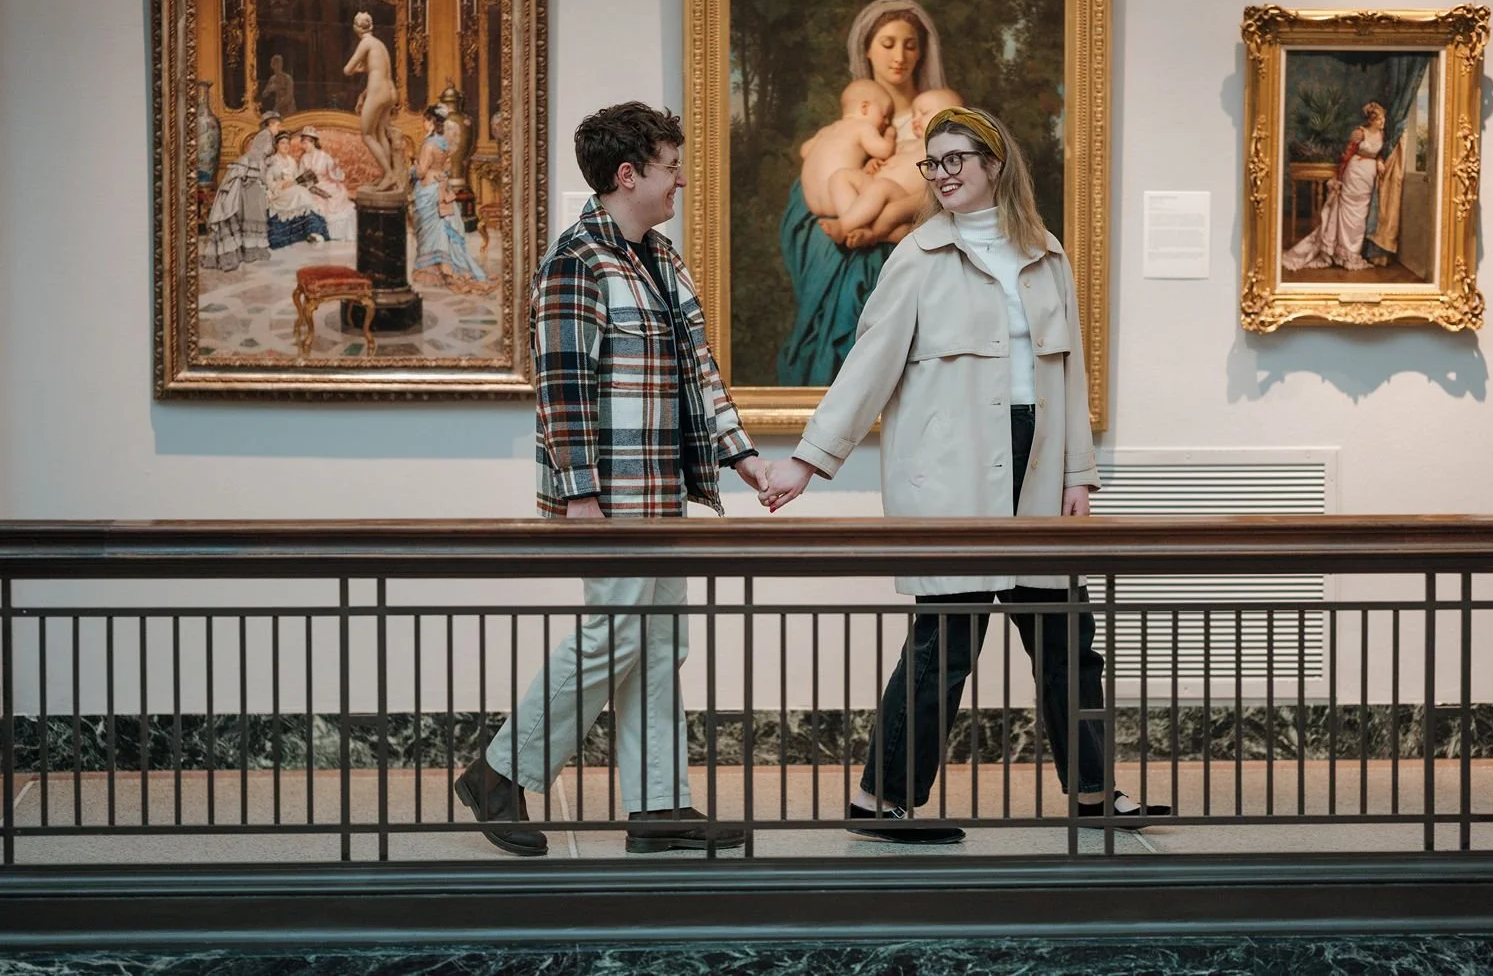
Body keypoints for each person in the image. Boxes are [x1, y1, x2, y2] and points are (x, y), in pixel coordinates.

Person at [763, 107, 1171, 843]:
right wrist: (807, 459)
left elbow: (1069, 374)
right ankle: (880, 800)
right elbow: (868, 365)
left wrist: (1080, 472)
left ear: (995, 164)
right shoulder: (916, 257)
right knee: (946, 639)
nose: (943, 173)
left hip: (1037, 469)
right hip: (950, 471)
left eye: (957, 160)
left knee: (1065, 635)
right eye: (934, 162)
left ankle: (1093, 791)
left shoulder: (1047, 254)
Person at [453, 102, 771, 857]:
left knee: (659, 643)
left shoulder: (661, 260)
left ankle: (659, 808)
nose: (681, 181)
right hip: (611, 499)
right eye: (671, 167)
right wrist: (582, 499)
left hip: (662, 497)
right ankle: (500, 770)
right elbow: (560, 393)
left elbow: (699, 372)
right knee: (611, 638)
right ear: (628, 175)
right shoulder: (576, 263)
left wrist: (745, 459)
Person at [776, 0, 947, 387]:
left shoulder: (939, 115)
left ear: (923, 51)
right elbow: (818, 185)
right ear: (867, 49)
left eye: (910, 44)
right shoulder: (857, 120)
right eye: (887, 44)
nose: (899, 56)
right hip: (855, 241)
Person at [822, 86, 964, 249]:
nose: (915, 119)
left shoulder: (945, 150)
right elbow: (886, 155)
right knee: (840, 176)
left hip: (897, 198)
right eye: (913, 115)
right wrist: (873, 163)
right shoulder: (907, 143)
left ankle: (844, 226)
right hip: (872, 192)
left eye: (923, 113)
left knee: (882, 187)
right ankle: (861, 227)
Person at [1282, 101, 1401, 272]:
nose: (1383, 122)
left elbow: (1381, 154)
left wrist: (1380, 161)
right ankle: (1342, 253)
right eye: (1380, 119)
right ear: (1372, 120)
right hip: (1354, 173)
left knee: (1361, 215)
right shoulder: (1360, 133)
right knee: (1347, 211)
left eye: (1383, 119)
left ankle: (1353, 252)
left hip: (1368, 177)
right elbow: (1347, 155)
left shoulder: (1383, 135)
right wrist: (1339, 178)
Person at [410, 104, 493, 293]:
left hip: (428, 190)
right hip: (442, 188)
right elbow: (446, 169)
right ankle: (445, 269)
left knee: (434, 231)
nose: (423, 124)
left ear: (431, 121)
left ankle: (441, 271)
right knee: (443, 231)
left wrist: (412, 169)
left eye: (425, 120)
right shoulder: (444, 144)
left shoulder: (429, 145)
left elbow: (422, 171)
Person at [798, 79, 898, 232]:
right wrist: (890, 135)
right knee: (878, 190)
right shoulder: (863, 127)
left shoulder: (826, 131)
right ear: (865, 108)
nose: (886, 121)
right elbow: (884, 150)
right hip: (840, 202)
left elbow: (804, 151)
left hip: (813, 205)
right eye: (884, 115)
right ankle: (857, 227)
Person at [202, 110, 279, 271]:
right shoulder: (266, 135)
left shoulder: (265, 135)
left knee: (251, 210)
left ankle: (248, 249)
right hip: (250, 173)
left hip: (251, 172)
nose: (278, 128)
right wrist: (264, 178)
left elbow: (260, 157)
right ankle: (250, 250)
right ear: (270, 124)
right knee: (254, 210)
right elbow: (257, 156)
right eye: (277, 125)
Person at [343, 11, 403, 193]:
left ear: (356, 28)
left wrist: (358, 69)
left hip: (378, 92)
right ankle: (387, 176)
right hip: (390, 91)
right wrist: (365, 75)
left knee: (367, 134)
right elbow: (381, 71)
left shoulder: (366, 43)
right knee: (380, 133)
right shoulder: (379, 45)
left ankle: (389, 174)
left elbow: (347, 69)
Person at [263, 131, 329, 248]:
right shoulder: (271, 161)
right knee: (301, 193)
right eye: (282, 143)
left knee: (302, 192)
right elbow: (268, 181)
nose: (286, 146)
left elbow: (297, 178)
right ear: (276, 145)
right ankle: (309, 231)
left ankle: (313, 231)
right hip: (278, 192)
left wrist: (298, 183)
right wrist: (280, 185)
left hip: (293, 189)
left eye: (288, 143)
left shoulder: (291, 161)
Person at [295, 127, 356, 241]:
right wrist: (305, 184)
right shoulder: (304, 158)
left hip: (328, 185)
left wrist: (335, 167)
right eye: (303, 143)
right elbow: (300, 176)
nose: (304, 146)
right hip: (311, 186)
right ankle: (314, 231)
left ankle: (325, 233)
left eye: (306, 143)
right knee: (308, 200)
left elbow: (336, 175)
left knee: (327, 200)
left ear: (313, 142)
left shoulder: (324, 156)